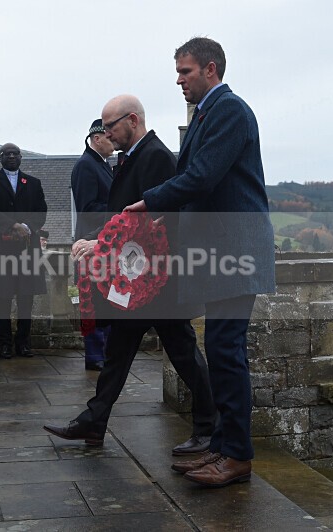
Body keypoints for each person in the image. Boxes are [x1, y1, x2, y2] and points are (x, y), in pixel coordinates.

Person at [126, 37, 276, 488]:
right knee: (222, 348)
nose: (178, 80)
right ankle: (221, 445)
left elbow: (201, 177)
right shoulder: (208, 114)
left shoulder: (228, 110)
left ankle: (236, 456)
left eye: (185, 71)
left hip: (236, 252)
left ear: (210, 69)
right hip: (222, 252)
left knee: (228, 352)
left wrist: (148, 203)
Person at [44, 95, 217, 456]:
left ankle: (209, 427)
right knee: (118, 355)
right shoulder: (131, 157)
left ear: (133, 120)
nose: (106, 133)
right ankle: (94, 423)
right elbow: (122, 216)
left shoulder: (154, 156)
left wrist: (100, 245)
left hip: (157, 281)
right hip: (137, 283)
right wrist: (97, 240)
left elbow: (156, 221)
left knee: (183, 354)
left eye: (111, 126)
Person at [0, 143, 47, 359]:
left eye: (14, 154)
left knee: (26, 297)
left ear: (20, 157)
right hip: (0, 249)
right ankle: (5, 344)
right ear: (0, 158)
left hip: (27, 248)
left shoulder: (33, 184)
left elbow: (41, 211)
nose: (10, 157)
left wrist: (26, 227)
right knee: (2, 298)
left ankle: (23, 343)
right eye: (6, 154)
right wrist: (12, 226)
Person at [71, 119, 115, 371]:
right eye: (109, 137)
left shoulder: (102, 165)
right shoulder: (86, 165)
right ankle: (95, 356)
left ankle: (104, 353)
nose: (114, 141)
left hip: (102, 241)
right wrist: (118, 211)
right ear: (96, 138)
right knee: (93, 300)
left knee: (106, 297)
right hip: (90, 242)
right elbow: (88, 209)